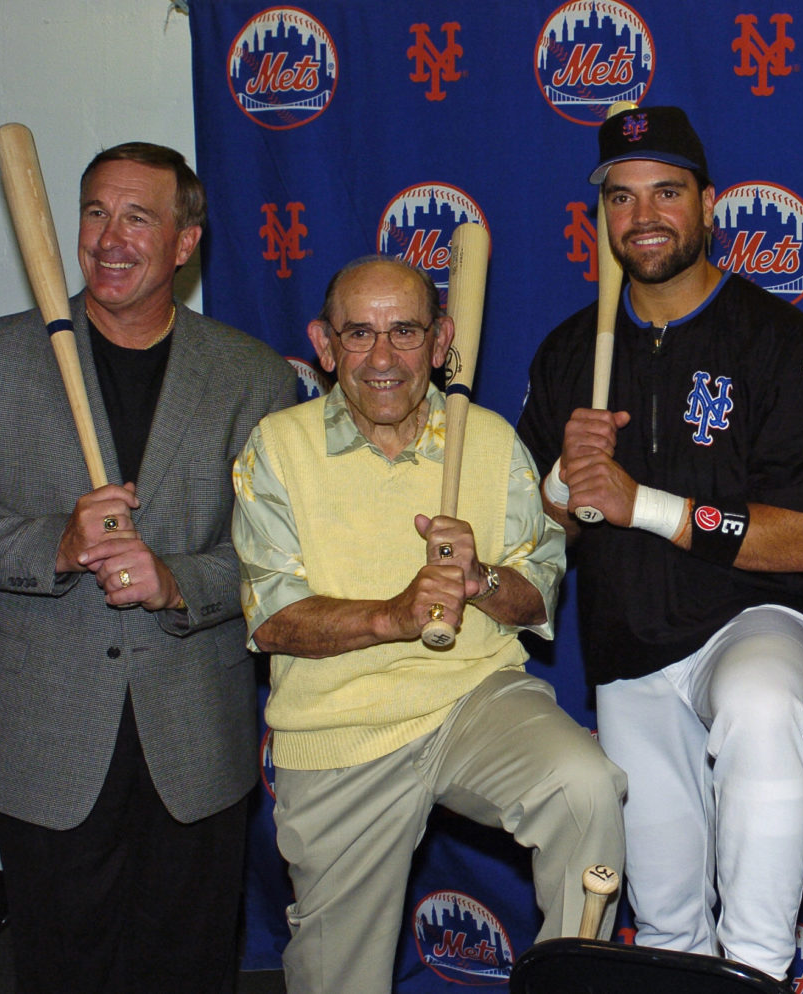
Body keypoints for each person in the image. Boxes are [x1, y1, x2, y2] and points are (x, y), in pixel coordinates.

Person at [0, 142, 297, 992]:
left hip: (193, 735)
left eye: (139, 217)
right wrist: (52, 545)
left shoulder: (253, 378)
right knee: (64, 969)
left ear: (184, 243)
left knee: (186, 967)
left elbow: (276, 556)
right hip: (45, 733)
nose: (109, 237)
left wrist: (178, 581)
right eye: (96, 211)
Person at [516, 106, 803, 981]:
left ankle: (761, 969)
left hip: (756, 617)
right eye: (621, 198)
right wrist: (563, 483)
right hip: (630, 645)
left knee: (759, 708)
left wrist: (642, 504)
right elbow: (539, 532)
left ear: (711, 204)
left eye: (667, 192)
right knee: (663, 913)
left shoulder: (780, 343)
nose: (644, 216)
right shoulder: (567, 357)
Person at [231, 256, 626, 993]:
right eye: (360, 333)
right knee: (335, 980)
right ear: (324, 344)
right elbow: (275, 619)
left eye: (406, 332)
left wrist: (480, 581)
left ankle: (576, 981)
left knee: (584, 786)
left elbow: (537, 596)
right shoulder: (276, 448)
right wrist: (395, 615)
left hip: (473, 699)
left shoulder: (490, 439)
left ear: (442, 342)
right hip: (340, 726)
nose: (383, 358)